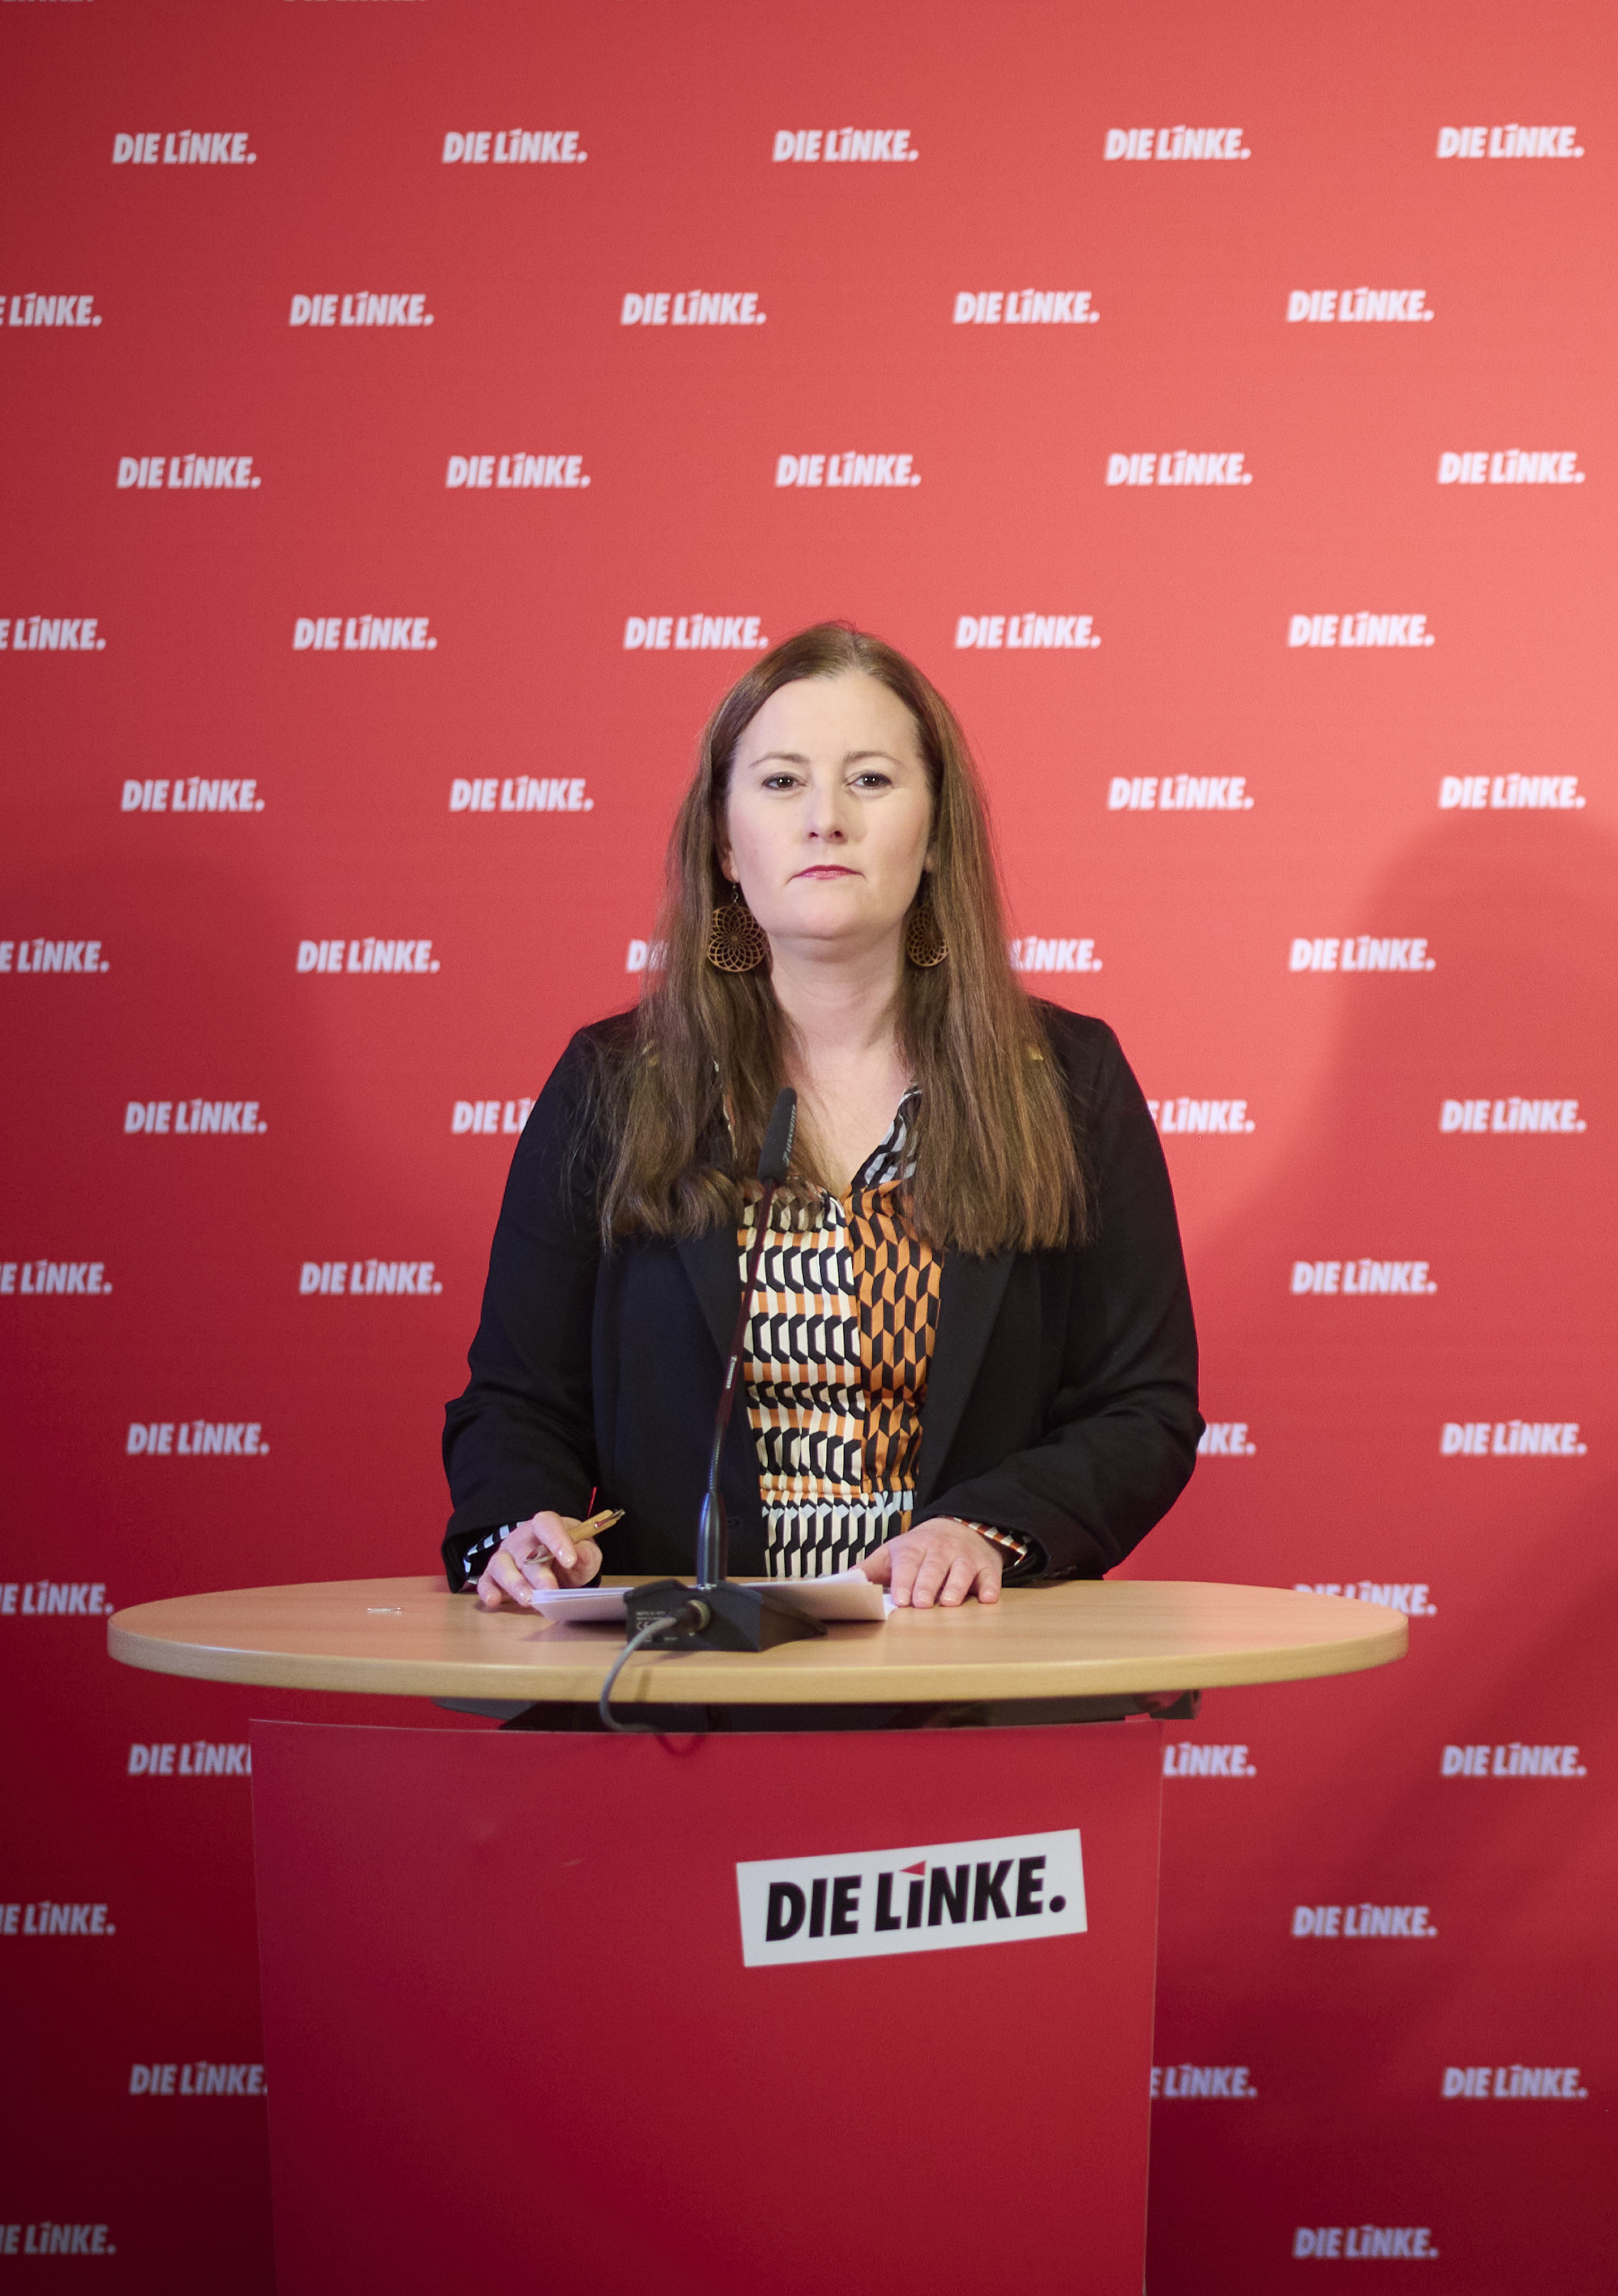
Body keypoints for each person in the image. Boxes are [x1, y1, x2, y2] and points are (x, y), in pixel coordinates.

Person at [441, 620, 1200, 1618]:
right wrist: (523, 1526)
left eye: (872, 781)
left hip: (966, 1669)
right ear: (722, 839)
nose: (825, 820)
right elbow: (516, 1403)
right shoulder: (616, 1082)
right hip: (690, 1677)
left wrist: (985, 1526)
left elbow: (1141, 1409)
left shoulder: (1064, 1076)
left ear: (935, 834)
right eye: (781, 781)